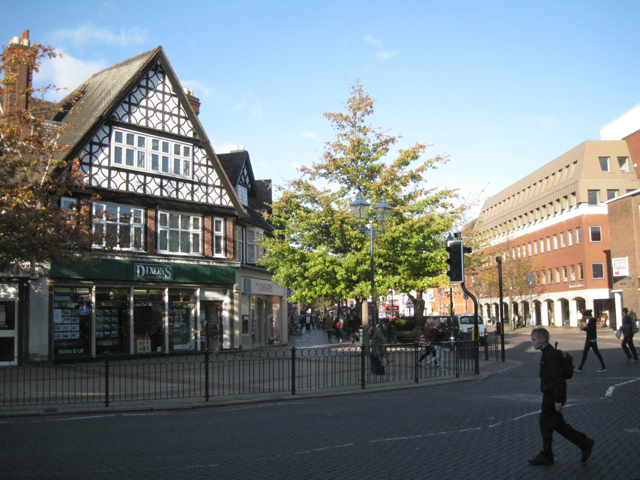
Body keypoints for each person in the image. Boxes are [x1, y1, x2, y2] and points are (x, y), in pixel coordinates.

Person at [528, 328, 594, 466]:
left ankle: (549, 454)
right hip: (551, 394)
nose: (532, 343)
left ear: (543, 340)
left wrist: (558, 400)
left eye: (534, 340)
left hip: (552, 396)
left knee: (547, 424)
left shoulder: (549, 356)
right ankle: (582, 443)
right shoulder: (548, 353)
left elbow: (557, 379)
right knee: (555, 425)